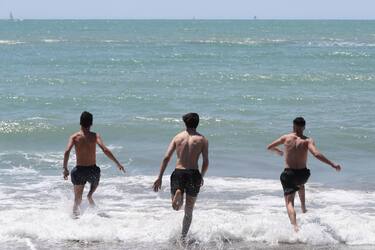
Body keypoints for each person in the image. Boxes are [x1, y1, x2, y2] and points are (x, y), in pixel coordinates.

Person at [267, 117, 341, 231]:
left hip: (289, 174)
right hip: (303, 175)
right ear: (304, 127)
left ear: (293, 126)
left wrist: (278, 151)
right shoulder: (307, 141)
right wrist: (332, 164)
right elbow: (316, 154)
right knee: (300, 184)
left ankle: (295, 226)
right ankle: (303, 208)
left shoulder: (286, 138)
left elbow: (269, 147)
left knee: (289, 202)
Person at [153, 113, 209, 240]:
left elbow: (167, 157)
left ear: (185, 123)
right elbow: (205, 161)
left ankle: (179, 192)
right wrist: (201, 176)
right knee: (188, 211)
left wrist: (159, 177)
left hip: (178, 172)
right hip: (193, 174)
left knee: (176, 208)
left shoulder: (178, 137)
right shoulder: (202, 140)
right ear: (197, 123)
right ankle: (183, 237)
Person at [63, 111, 125, 216]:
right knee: (92, 187)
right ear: (91, 123)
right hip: (92, 171)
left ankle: (74, 221)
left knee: (77, 200)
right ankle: (90, 195)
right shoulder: (95, 136)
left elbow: (67, 152)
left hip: (79, 171)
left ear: (80, 123)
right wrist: (117, 163)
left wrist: (65, 168)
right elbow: (105, 150)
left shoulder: (74, 137)